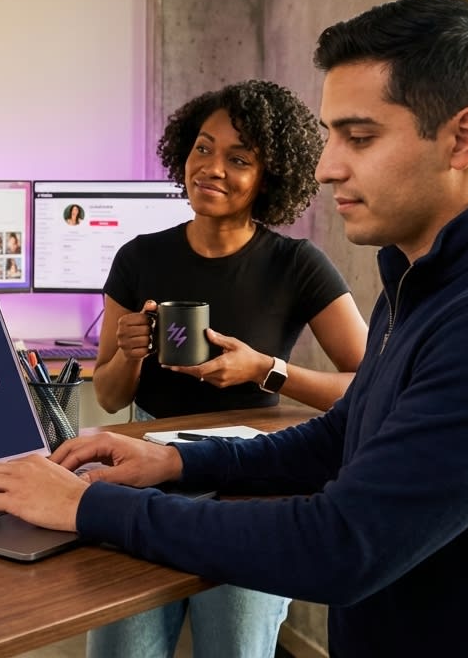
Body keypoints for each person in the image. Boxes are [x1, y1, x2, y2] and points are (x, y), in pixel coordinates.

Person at [0, 0, 468, 657]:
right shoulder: (419, 281)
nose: (329, 165)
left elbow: (340, 546)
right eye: (333, 136)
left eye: (359, 138)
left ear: (463, 138)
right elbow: (344, 439)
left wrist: (84, 507)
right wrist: (174, 461)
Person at [86, 79, 368, 658]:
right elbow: (111, 398)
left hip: (252, 482)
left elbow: (369, 388)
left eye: (238, 159)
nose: (211, 168)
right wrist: (129, 352)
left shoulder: (297, 266)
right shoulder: (138, 257)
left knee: (234, 649)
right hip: (148, 469)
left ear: (270, 177)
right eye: (203, 148)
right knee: (122, 650)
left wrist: (266, 370)